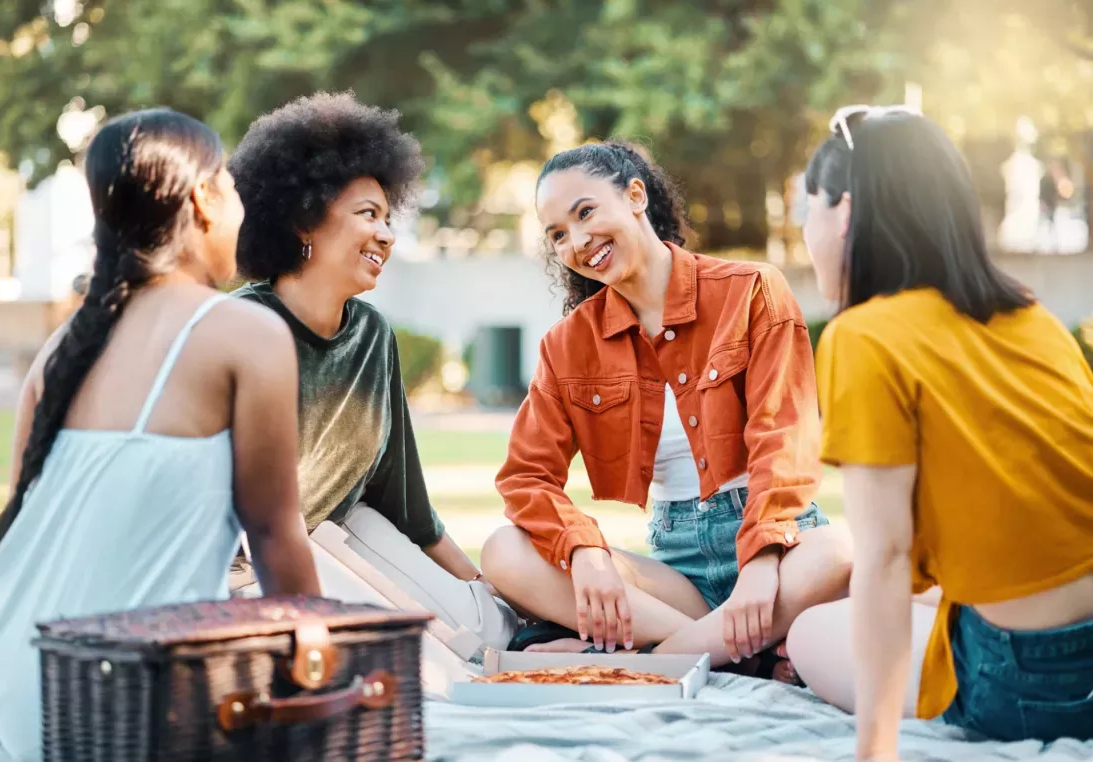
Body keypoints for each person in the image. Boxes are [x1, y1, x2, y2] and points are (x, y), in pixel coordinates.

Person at [0, 109, 321, 760]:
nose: (241, 206)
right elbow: (273, 534)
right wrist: (323, 673)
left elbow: (22, 530)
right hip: (115, 698)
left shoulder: (65, 345)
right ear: (202, 199)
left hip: (6, 668)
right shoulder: (246, 333)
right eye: (233, 188)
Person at [786, 106, 1093, 760]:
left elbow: (885, 558)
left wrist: (874, 751)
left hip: (1041, 677)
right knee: (920, 604)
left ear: (843, 213)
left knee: (810, 631)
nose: (804, 231)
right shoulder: (1029, 315)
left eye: (805, 209)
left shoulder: (864, 336)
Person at [481, 141, 852, 674]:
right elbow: (525, 478)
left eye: (586, 212)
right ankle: (746, 654)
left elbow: (785, 436)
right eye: (558, 234)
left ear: (635, 196)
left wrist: (763, 561)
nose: (578, 241)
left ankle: (639, 662)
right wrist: (584, 550)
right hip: (678, 575)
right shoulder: (567, 345)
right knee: (503, 551)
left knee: (836, 552)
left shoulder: (752, 290)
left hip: (780, 550)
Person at [225, 91, 517, 650]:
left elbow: (403, 503)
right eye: (367, 215)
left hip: (344, 532)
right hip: (244, 568)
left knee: (492, 634)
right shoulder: (238, 326)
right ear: (305, 221)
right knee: (412, 656)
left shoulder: (373, 335)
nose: (386, 234)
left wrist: (485, 591)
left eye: (388, 218)